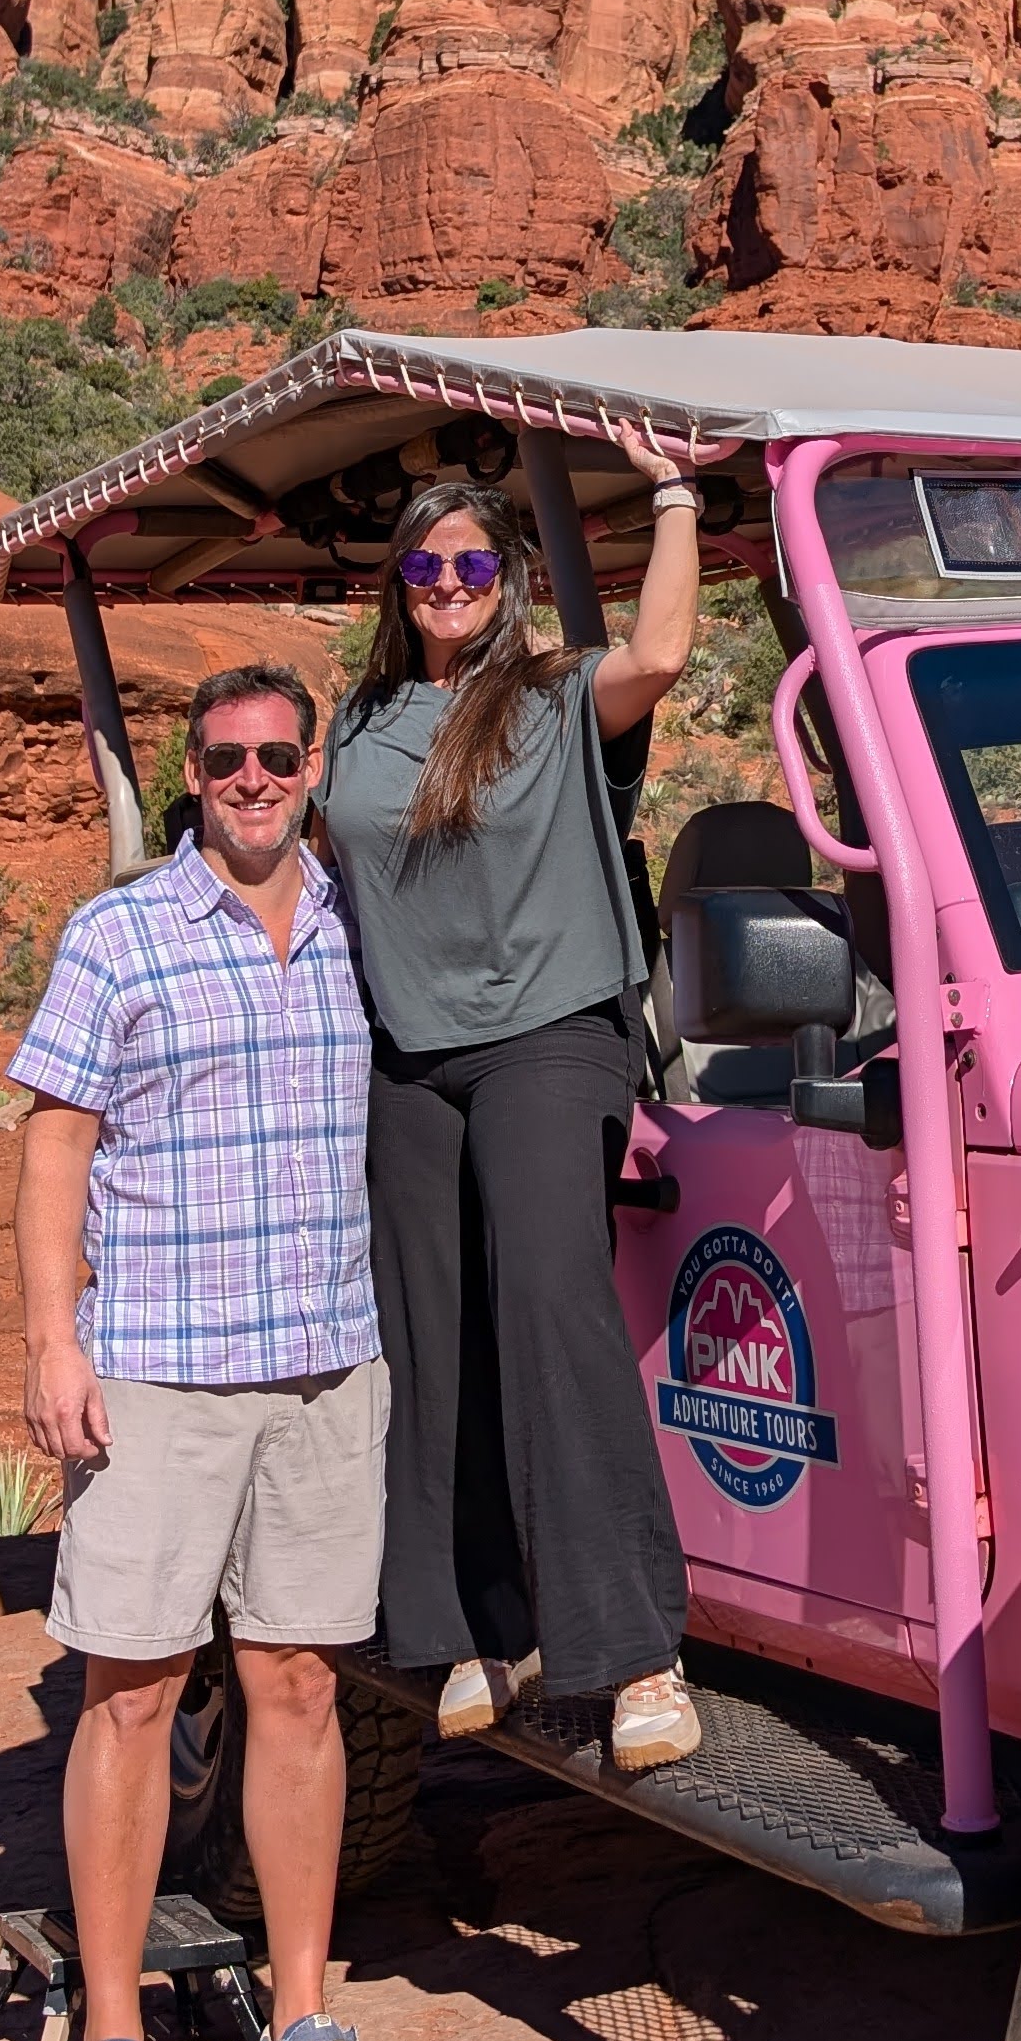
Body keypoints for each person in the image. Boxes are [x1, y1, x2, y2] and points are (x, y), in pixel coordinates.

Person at [14, 661, 410, 2041]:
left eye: (277, 755)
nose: (252, 778)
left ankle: (303, 2016)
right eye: (226, 757)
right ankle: (115, 2039)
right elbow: (58, 1141)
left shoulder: (356, 924)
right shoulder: (118, 935)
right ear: (193, 774)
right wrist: (56, 1341)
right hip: (162, 1373)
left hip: (324, 1362)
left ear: (312, 769)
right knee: (130, 1692)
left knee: (300, 1685)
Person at [322, 421, 706, 1775]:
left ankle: (635, 1653)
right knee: (437, 1332)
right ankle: (482, 1631)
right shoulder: (358, 724)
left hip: (551, 1037)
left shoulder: (552, 697)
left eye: (471, 561)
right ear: (397, 586)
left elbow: (660, 654)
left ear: (510, 576)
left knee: (549, 1299)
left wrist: (669, 492)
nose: (447, 583)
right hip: (409, 1057)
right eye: (424, 567)